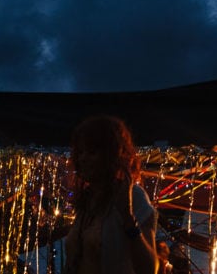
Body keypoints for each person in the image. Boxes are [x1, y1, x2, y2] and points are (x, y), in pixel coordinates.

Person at [63, 115, 158, 274]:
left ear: (112, 156)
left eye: (92, 152)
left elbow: (149, 269)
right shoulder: (88, 199)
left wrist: (127, 217)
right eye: (80, 152)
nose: (83, 159)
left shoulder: (133, 196)